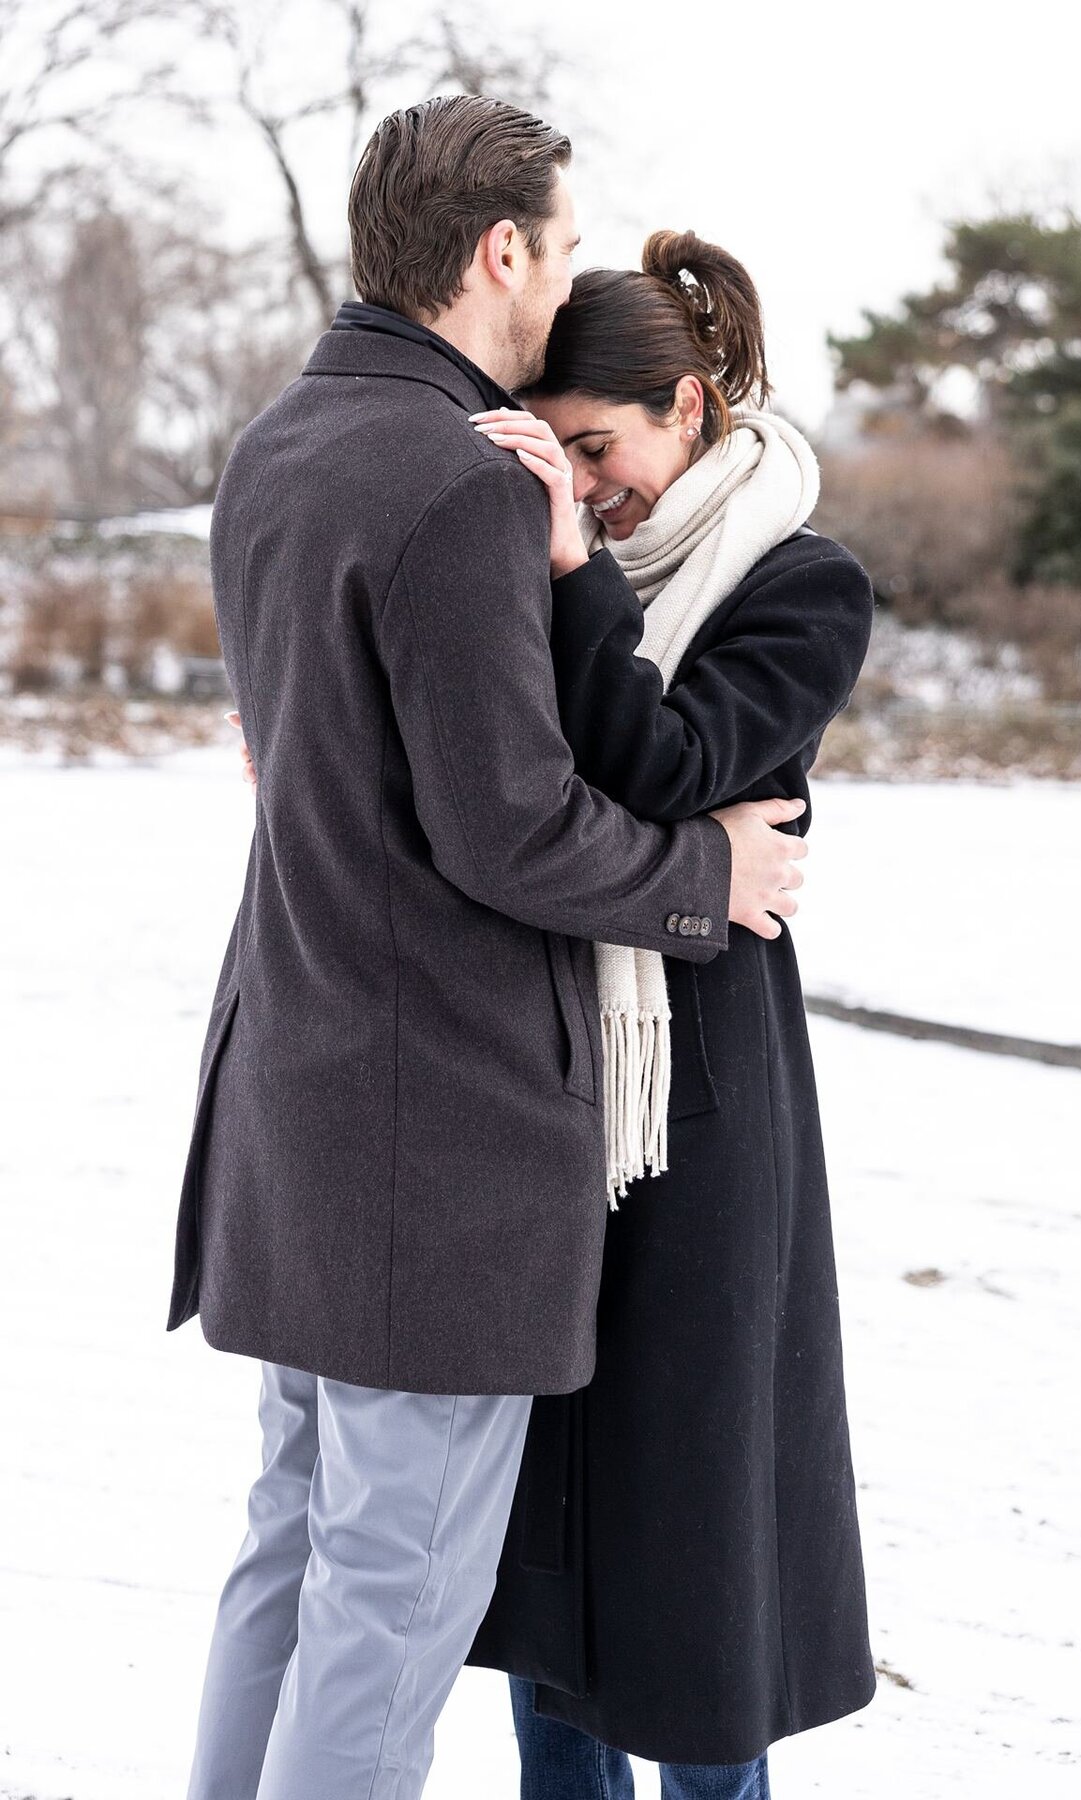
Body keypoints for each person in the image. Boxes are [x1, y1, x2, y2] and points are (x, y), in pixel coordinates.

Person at [167, 98, 809, 1800]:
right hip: (426, 1144)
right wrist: (706, 873)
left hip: (291, 1097)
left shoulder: (279, 445)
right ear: (500, 251)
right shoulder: (456, 477)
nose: (570, 279)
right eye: (565, 247)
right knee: (390, 1594)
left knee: (290, 1557)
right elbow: (508, 826)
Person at [459, 232, 879, 1795]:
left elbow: (667, 765)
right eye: (553, 449)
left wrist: (569, 577)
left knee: (702, 1539)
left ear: (689, 407)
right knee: (550, 1531)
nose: (582, 481)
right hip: (541, 1069)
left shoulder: (798, 581)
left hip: (705, 1102)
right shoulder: (522, 560)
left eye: (601, 447)